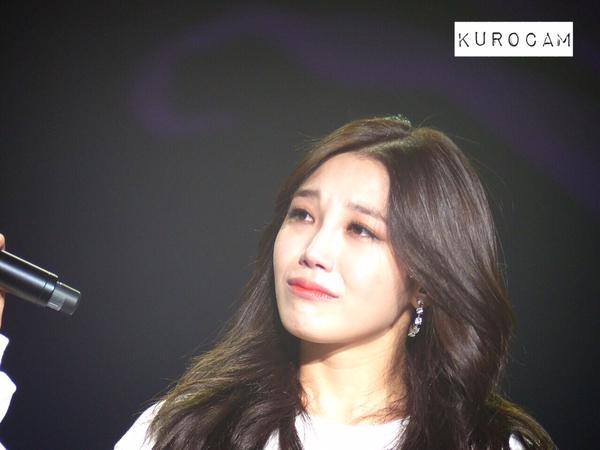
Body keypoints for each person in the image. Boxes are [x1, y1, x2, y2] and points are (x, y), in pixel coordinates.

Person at [115, 116, 555, 449]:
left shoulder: (490, 444)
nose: (314, 250)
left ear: (427, 279)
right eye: (302, 215)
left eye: (361, 229)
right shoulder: (184, 431)